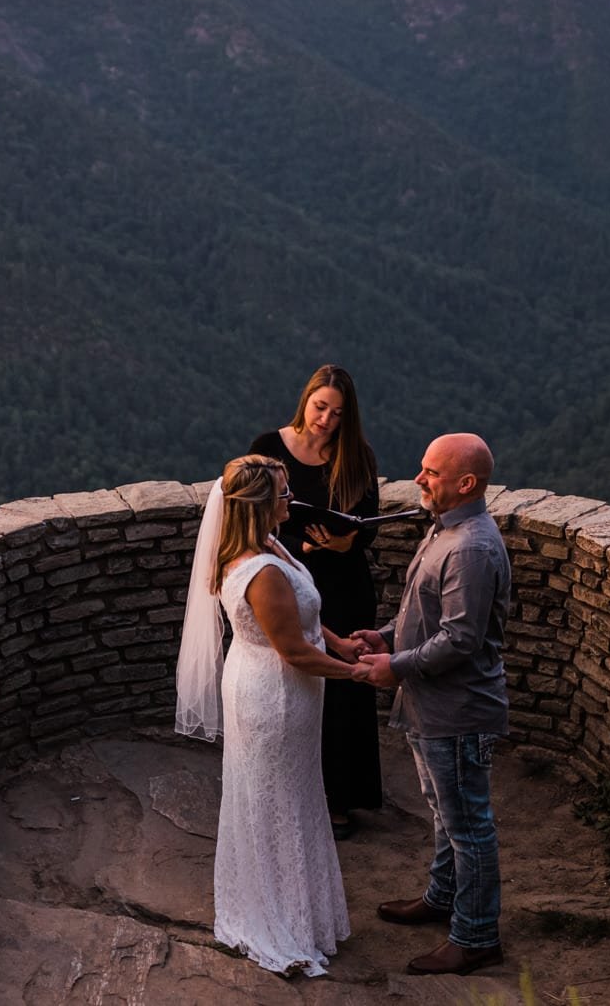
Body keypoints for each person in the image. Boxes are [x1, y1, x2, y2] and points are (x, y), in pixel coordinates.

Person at [174, 454, 358, 977]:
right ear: (260, 505)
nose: (291, 501)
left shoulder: (265, 548)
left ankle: (295, 909)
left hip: (271, 685)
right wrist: (361, 676)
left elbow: (307, 626)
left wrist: (342, 644)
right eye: (283, 493)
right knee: (278, 801)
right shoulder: (262, 572)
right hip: (274, 696)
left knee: (288, 797)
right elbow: (295, 653)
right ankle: (279, 919)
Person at [351, 432, 511, 977]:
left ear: (466, 483)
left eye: (431, 473)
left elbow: (460, 640)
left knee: (468, 825)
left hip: (458, 711)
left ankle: (476, 936)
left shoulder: (470, 546)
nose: (419, 479)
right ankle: (442, 899)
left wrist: (393, 666)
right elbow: (426, 616)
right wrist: (385, 636)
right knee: (447, 815)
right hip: (431, 706)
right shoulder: (444, 529)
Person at [249, 365, 382, 838]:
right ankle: (294, 791)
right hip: (286, 577)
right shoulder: (268, 447)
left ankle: (343, 798)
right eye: (320, 406)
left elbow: (369, 523)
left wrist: (348, 543)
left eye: (337, 413)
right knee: (294, 685)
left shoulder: (356, 455)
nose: (326, 419)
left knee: (344, 697)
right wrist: (301, 546)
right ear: (305, 399)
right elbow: (250, 513)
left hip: (343, 582)